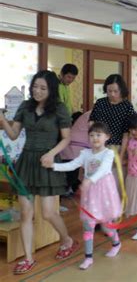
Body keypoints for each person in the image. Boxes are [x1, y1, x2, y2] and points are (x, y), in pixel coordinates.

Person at [0, 70, 79, 274]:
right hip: (27, 162)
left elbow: (66, 138)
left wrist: (51, 154)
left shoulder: (59, 109)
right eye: (35, 86)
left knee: (48, 213)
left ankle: (67, 240)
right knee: (26, 213)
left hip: (47, 162)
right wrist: (2, 121)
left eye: (43, 88)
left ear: (51, 90)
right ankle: (28, 258)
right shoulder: (26, 107)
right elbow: (14, 134)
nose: (37, 91)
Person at [49, 122, 122, 269]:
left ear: (107, 137)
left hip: (104, 194)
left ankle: (116, 243)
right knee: (88, 225)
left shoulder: (108, 154)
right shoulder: (85, 153)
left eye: (98, 135)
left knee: (106, 226)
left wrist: (90, 180)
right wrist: (53, 166)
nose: (95, 138)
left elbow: (103, 169)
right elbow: (72, 165)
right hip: (90, 195)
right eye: (92, 135)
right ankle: (88, 258)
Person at [89, 74, 136, 162]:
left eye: (115, 91)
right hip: (99, 145)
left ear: (121, 90)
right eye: (109, 91)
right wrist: (93, 139)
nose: (112, 94)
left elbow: (126, 134)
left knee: (114, 174)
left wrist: (121, 156)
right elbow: (91, 122)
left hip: (117, 147)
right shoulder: (100, 103)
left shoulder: (127, 106)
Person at [60, 110, 91, 195]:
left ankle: (61, 196)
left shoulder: (89, 115)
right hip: (74, 148)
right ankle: (58, 198)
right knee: (70, 176)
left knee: (71, 175)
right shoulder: (93, 115)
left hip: (75, 148)